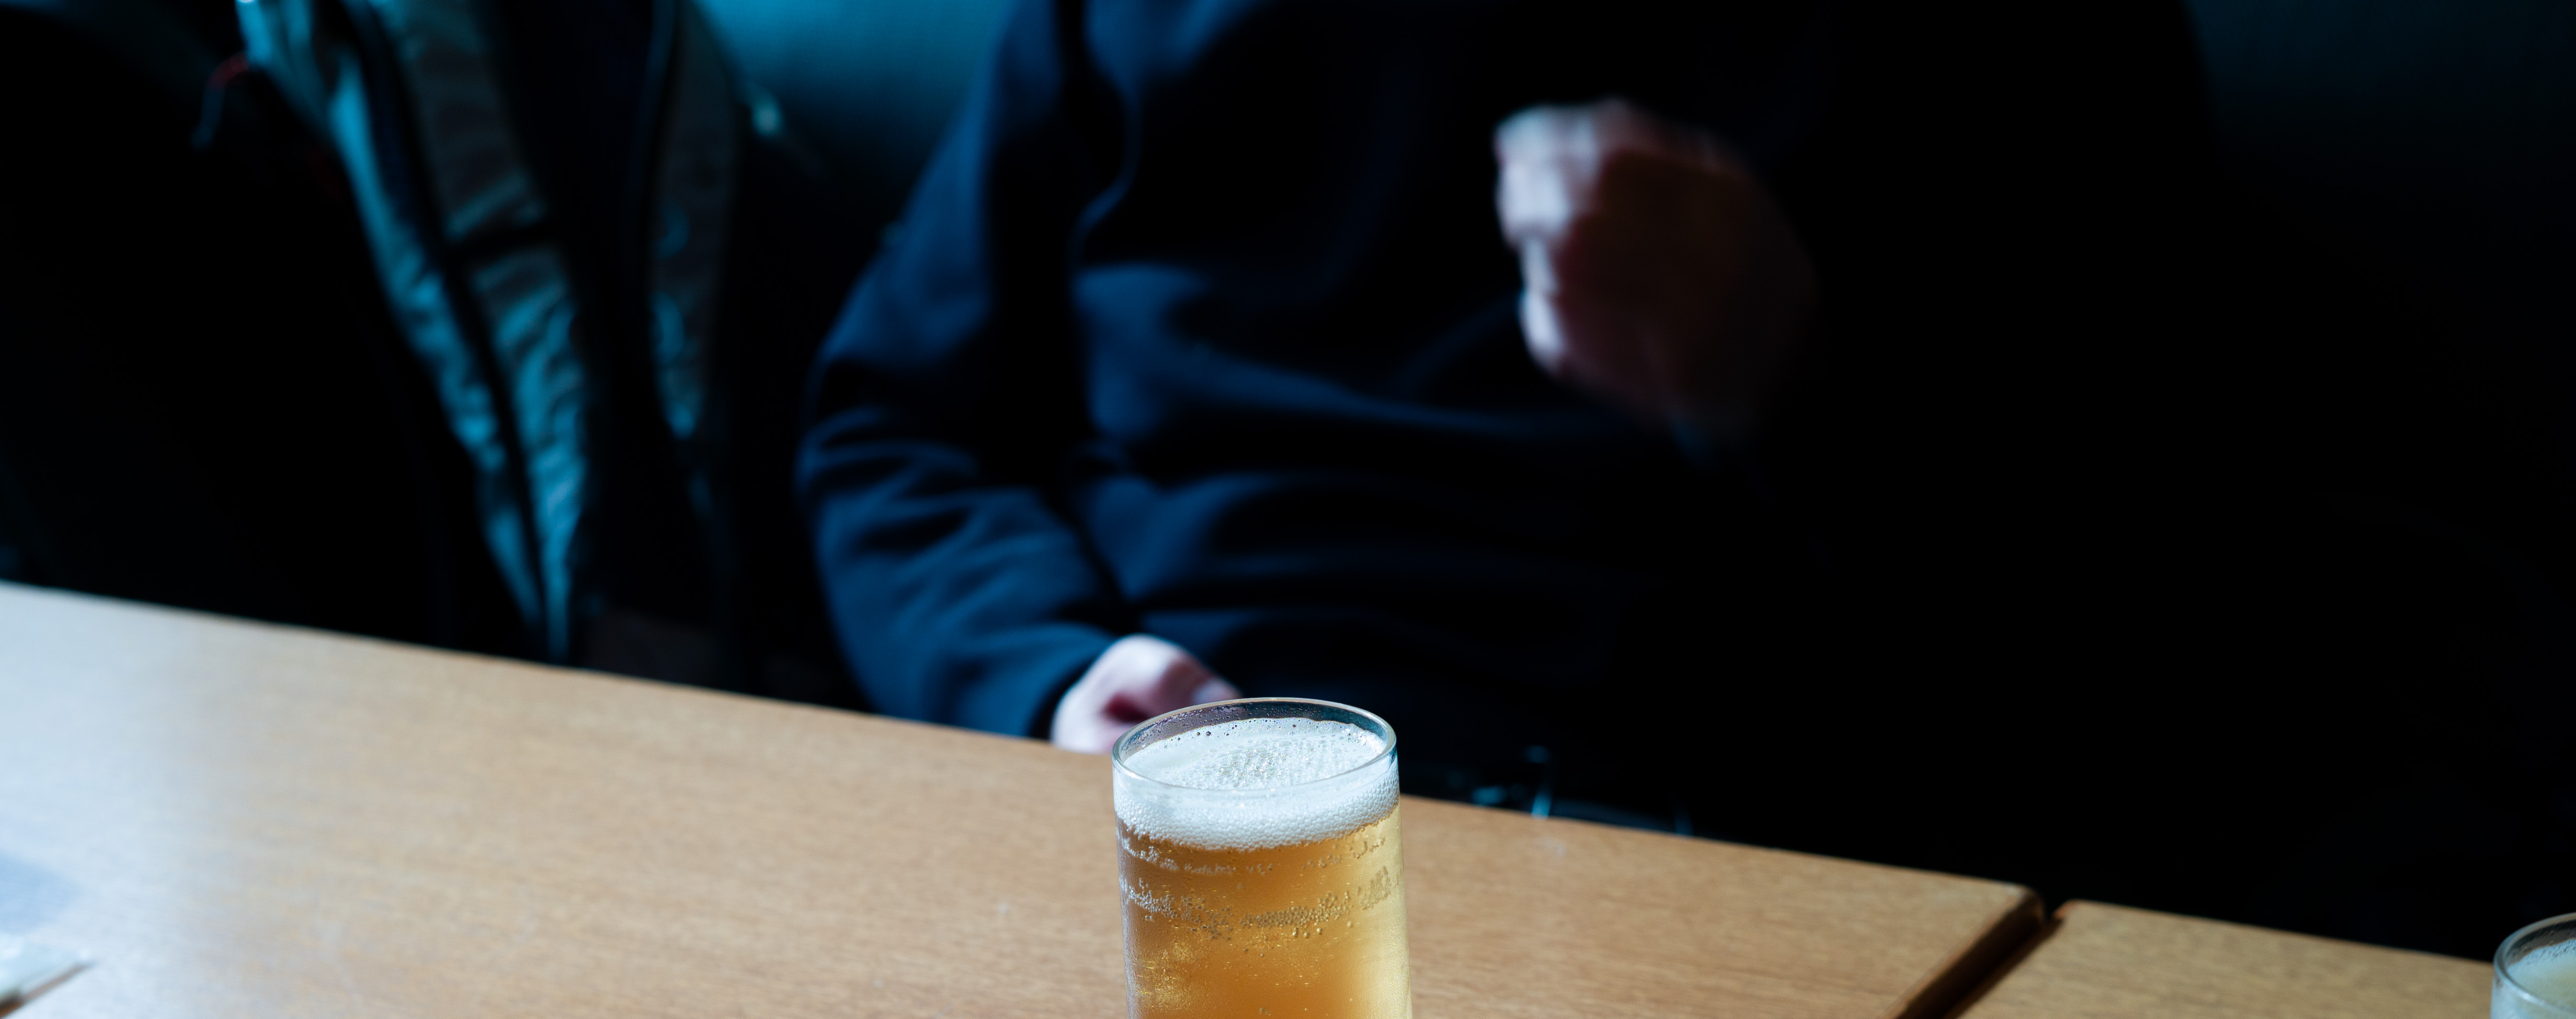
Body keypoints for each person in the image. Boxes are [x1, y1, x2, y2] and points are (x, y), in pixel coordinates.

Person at [798, 0, 2219, 846]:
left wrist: (1796, 377)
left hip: (1703, 838)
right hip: (1179, 803)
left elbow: (2166, 584)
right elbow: (893, 428)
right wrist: (1046, 675)